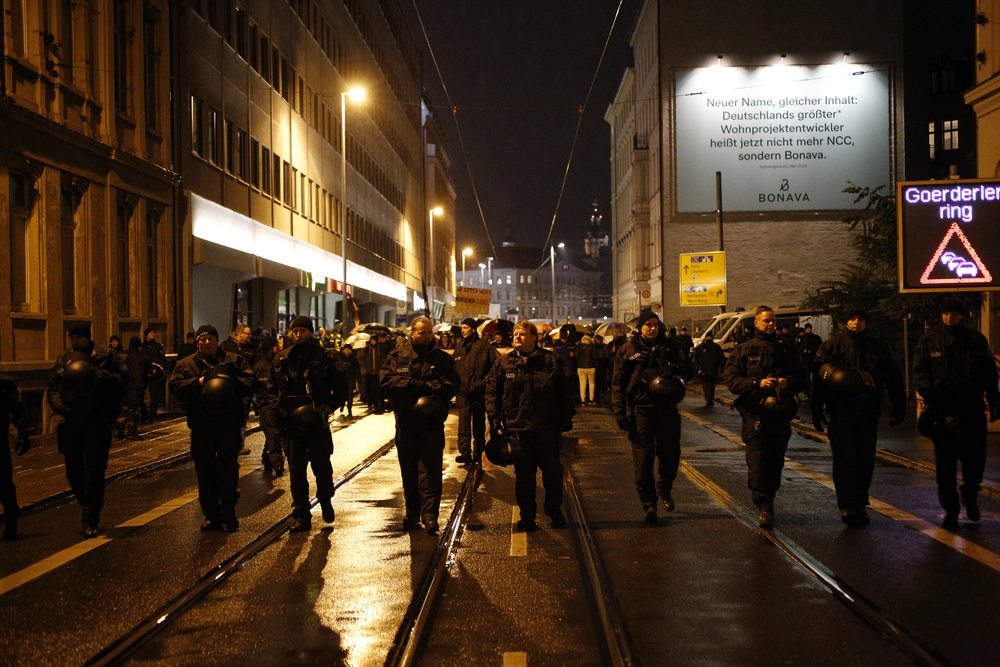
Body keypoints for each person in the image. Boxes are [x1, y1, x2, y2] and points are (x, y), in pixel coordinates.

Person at [811, 308, 905, 527]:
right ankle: (847, 506)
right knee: (844, 461)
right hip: (840, 412)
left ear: (866, 323)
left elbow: (892, 377)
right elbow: (819, 380)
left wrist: (899, 405)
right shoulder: (831, 347)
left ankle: (860, 502)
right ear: (846, 322)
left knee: (864, 461)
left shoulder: (878, 348)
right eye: (852, 319)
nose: (856, 322)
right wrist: (817, 408)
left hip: (867, 412)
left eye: (860, 319)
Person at [912, 298, 1000, 527]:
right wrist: (932, 400)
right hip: (943, 411)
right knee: (946, 463)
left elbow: (990, 373)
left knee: (974, 460)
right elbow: (920, 372)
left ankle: (970, 495)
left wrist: (995, 401)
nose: (949, 318)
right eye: (946, 314)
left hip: (971, 409)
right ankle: (951, 508)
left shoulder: (975, 340)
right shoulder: (930, 339)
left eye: (954, 314)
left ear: (962, 316)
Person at [486, 320, 575, 531]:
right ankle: (527, 517)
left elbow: (566, 390)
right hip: (518, 429)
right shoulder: (503, 363)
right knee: (524, 477)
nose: (517, 337)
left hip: (547, 428)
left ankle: (554, 510)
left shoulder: (551, 361)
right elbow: (492, 391)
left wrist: (566, 417)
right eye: (516, 334)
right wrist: (494, 417)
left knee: (552, 473)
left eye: (523, 334)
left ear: (534, 338)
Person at [724, 305, 806, 528]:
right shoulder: (743, 350)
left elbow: (801, 377)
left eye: (773, 320)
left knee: (775, 461)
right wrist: (756, 383)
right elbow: (731, 381)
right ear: (756, 323)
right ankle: (763, 505)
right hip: (754, 416)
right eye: (766, 320)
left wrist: (787, 381)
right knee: (758, 462)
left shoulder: (786, 349)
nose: (770, 324)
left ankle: (770, 497)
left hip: (780, 415)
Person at [168, 325, 253, 532]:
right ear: (197, 342)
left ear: (217, 340)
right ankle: (212, 516)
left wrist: (228, 381)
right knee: (204, 471)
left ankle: (229, 513)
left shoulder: (234, 360)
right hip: (202, 425)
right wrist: (199, 382)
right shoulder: (186, 364)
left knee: (228, 469)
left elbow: (250, 382)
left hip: (228, 424)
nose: (207, 342)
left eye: (210, 339)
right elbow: (175, 386)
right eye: (202, 339)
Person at [47, 321, 129, 538]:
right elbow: (53, 388)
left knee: (93, 470)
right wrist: (60, 407)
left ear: (87, 337)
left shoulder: (104, 356)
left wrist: (99, 376)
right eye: (71, 337)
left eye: (78, 338)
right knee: (72, 471)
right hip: (72, 421)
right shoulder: (64, 359)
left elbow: (122, 381)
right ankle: (90, 501)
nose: (74, 341)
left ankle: (90, 518)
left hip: (97, 421)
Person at [612, 311, 693, 523]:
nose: (652, 328)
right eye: (648, 325)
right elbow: (618, 382)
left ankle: (664, 489)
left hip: (668, 411)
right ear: (640, 327)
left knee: (670, 456)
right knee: (643, 462)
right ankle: (649, 505)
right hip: (642, 412)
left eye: (655, 324)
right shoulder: (628, 350)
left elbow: (690, 371)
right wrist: (619, 411)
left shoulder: (671, 346)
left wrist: (676, 367)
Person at [380, 317, 459, 534]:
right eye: (421, 333)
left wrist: (433, 388)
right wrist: (412, 384)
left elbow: (453, 384)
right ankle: (412, 513)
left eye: (428, 333)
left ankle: (430, 515)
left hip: (431, 424)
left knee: (431, 470)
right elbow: (386, 381)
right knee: (409, 470)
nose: (425, 336)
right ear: (411, 334)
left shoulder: (443, 359)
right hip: (406, 423)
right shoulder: (397, 357)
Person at [268, 316, 346, 532]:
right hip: (292, 425)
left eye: (302, 330)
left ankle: (326, 500)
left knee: (321, 466)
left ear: (311, 332)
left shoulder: (326, 357)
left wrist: (326, 408)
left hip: (317, 424)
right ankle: (302, 513)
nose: (298, 334)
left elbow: (341, 390)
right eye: (295, 331)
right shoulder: (283, 359)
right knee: (296, 470)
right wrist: (279, 410)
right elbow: (271, 389)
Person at [453, 317, 497, 464]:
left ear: (472, 329)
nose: (463, 331)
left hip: (479, 393)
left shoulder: (485, 347)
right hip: (463, 393)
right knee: (463, 424)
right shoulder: (459, 348)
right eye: (462, 328)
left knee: (479, 424)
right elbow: (453, 369)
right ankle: (465, 452)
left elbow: (496, 368)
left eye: (465, 327)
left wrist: (484, 383)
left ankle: (478, 452)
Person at [1, 374, 31, 540]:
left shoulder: (4, 384)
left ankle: (11, 520)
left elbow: (17, 408)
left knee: (4, 483)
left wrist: (23, 434)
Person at [252, 336, 284, 475]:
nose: (279, 347)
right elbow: (251, 388)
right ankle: (277, 462)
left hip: (278, 404)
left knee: (276, 434)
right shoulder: (259, 367)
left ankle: (267, 458)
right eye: (276, 345)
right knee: (272, 433)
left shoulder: (279, 363)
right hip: (266, 406)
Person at [116, 336, 150, 441]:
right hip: (134, 386)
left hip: (122, 384)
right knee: (135, 409)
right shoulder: (139, 357)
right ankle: (132, 432)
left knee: (125, 407)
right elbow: (137, 374)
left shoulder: (121, 354)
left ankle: (119, 430)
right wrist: (141, 386)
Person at [139, 327, 166, 423]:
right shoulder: (142, 346)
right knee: (140, 395)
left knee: (154, 395)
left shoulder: (157, 346)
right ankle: (144, 414)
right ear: (146, 334)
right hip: (143, 373)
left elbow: (162, 359)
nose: (153, 334)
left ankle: (151, 415)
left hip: (154, 373)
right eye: (151, 332)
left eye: (154, 332)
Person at [692, 331, 725, 407]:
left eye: (710, 337)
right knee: (706, 384)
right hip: (704, 369)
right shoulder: (701, 347)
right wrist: (698, 368)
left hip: (713, 368)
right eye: (708, 337)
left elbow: (721, 357)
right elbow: (696, 358)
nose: (709, 338)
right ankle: (708, 399)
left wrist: (721, 367)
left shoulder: (716, 347)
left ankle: (711, 398)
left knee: (712, 385)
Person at [358, 334, 388, 414]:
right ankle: (372, 403)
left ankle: (380, 403)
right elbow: (363, 359)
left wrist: (380, 367)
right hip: (369, 372)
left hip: (378, 372)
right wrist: (366, 366)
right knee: (370, 388)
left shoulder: (380, 349)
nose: (373, 342)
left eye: (374, 340)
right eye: (372, 340)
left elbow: (383, 359)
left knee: (378, 388)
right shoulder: (366, 349)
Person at [795, 323, 823, 398]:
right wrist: (804, 352)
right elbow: (797, 348)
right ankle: (807, 393)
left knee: (816, 377)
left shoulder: (816, 338)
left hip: (815, 359)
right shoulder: (802, 339)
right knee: (807, 377)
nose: (809, 329)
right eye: (807, 328)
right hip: (805, 359)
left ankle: (816, 392)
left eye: (810, 328)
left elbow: (821, 347)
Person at [575, 335, 599, 405]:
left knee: (582, 383)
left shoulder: (579, 346)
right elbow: (595, 356)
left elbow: (576, 355)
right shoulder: (592, 346)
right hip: (591, 367)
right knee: (591, 383)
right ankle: (591, 399)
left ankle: (583, 400)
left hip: (581, 367)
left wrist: (579, 362)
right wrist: (594, 364)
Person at [339, 344, 361, 420]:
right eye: (346, 349)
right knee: (342, 393)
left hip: (351, 378)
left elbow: (357, 369)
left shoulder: (354, 359)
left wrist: (359, 379)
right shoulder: (340, 358)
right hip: (342, 378)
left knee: (350, 394)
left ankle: (349, 409)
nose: (347, 350)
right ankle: (342, 404)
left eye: (349, 349)